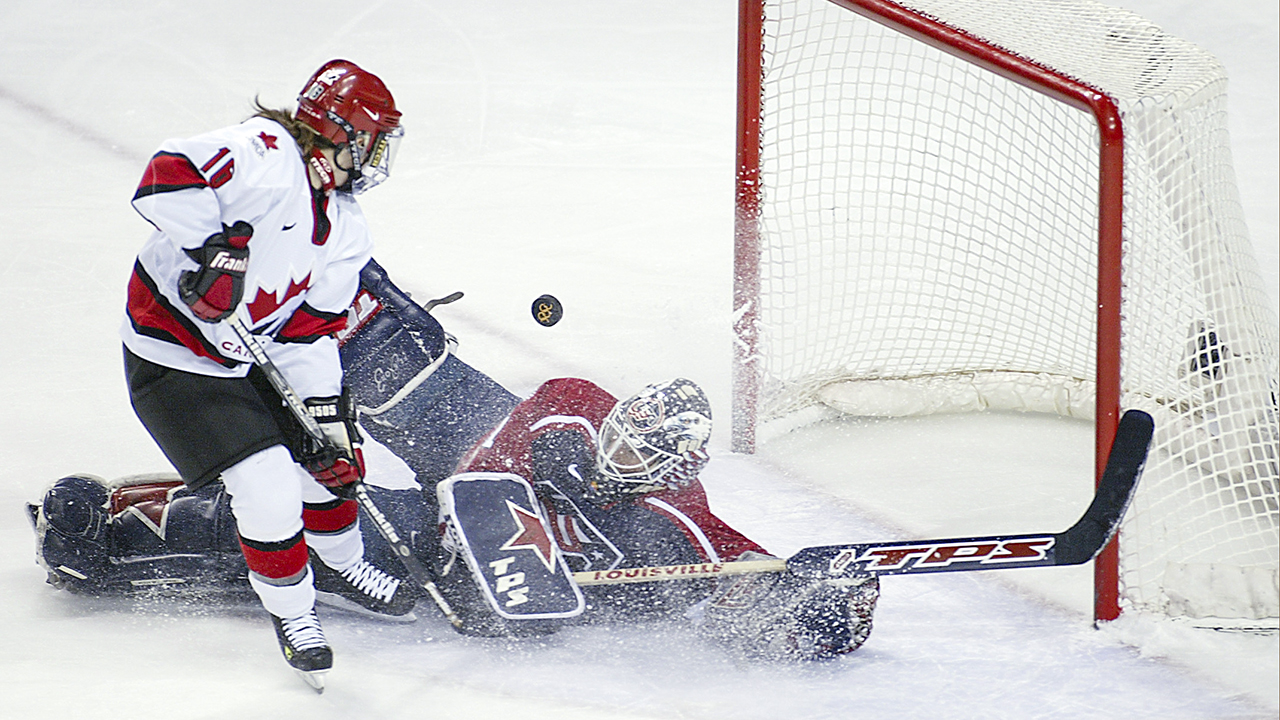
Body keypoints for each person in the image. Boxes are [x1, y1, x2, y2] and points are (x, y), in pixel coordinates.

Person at [30, 260, 879, 666]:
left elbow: (745, 597)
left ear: (670, 468)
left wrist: (823, 603)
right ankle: (112, 540)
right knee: (379, 438)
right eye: (625, 425)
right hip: (449, 520)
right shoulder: (579, 403)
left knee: (318, 546)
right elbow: (496, 452)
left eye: (640, 448)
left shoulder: (682, 520)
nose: (619, 442)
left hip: (476, 591)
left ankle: (115, 551)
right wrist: (548, 467)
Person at [115, 59, 414, 687]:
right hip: (174, 360)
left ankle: (341, 563)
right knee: (269, 486)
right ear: (335, 131)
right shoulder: (265, 153)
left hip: (255, 352)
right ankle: (293, 611)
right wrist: (212, 250)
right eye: (370, 138)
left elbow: (308, 330)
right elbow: (166, 173)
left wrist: (326, 416)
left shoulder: (347, 226)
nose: (376, 154)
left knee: (329, 464)